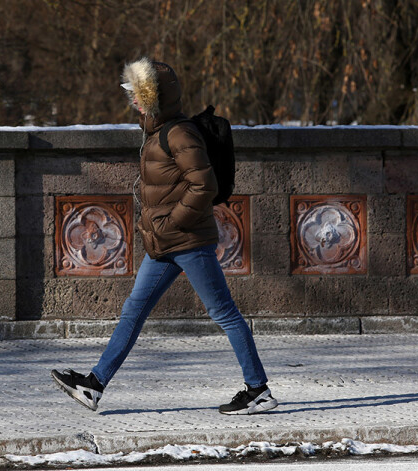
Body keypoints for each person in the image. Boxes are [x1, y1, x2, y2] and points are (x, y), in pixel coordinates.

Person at [52, 57, 277, 415]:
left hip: (188, 242)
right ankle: (94, 385)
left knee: (225, 314)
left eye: (139, 95)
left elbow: (204, 184)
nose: (134, 102)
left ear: (154, 97)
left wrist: (172, 223)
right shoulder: (157, 131)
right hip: (164, 246)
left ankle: (258, 390)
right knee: (133, 313)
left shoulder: (179, 133)